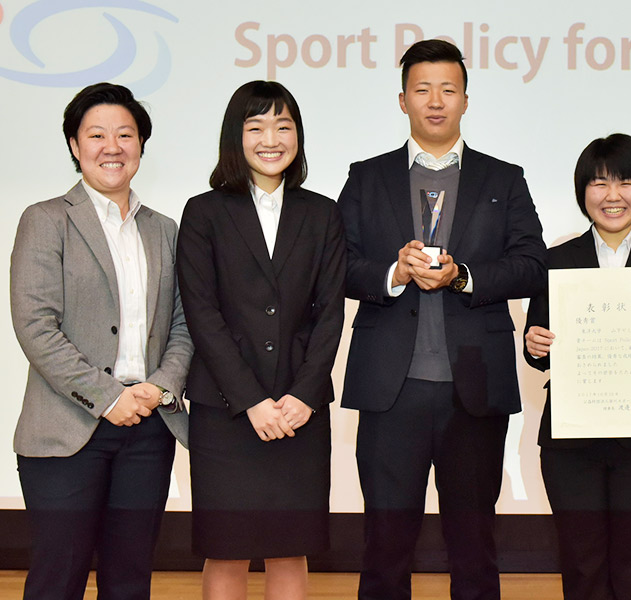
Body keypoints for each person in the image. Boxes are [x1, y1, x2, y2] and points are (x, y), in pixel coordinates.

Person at [337, 39, 546, 600]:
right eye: (422, 90)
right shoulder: (366, 177)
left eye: (448, 90)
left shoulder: (504, 179)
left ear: (466, 100)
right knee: (384, 544)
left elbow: (532, 266)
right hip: (390, 387)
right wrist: (392, 274)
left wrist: (465, 276)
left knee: (474, 545)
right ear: (401, 100)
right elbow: (335, 266)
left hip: (473, 388)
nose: (436, 101)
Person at [9, 82, 192, 600]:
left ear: (140, 145)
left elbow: (183, 324)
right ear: (74, 145)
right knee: (57, 578)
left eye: (125, 134)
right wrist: (109, 397)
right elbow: (36, 326)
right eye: (96, 134)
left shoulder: (164, 230)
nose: (112, 146)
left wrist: (158, 389)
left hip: (148, 427)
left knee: (130, 578)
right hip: (67, 430)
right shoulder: (45, 221)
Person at [176, 81, 345, 600]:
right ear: (236, 137)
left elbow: (330, 314)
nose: (271, 138)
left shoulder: (322, 213)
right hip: (225, 411)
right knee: (225, 551)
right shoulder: (204, 212)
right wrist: (250, 401)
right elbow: (201, 315)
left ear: (298, 136)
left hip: (300, 411)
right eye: (256, 127)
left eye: (283, 126)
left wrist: (302, 396)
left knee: (289, 550)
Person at [524, 134, 631, 600]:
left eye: (625, 182)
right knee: (581, 565)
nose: (613, 195)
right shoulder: (556, 261)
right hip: (571, 441)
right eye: (600, 183)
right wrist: (536, 344)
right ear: (583, 191)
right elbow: (534, 348)